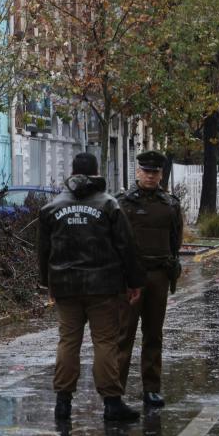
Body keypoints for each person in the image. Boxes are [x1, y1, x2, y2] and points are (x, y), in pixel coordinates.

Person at [38, 152, 145, 422]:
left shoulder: (52, 207)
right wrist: (134, 282)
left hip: (65, 287)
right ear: (97, 172)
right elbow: (126, 246)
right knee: (105, 342)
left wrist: (46, 282)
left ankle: (63, 403)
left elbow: (43, 251)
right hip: (103, 287)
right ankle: (111, 403)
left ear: (72, 172)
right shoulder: (109, 205)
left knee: (68, 342)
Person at [117, 150, 183, 408]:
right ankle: (116, 389)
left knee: (154, 334)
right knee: (124, 335)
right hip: (130, 278)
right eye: (146, 171)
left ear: (161, 175)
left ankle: (152, 389)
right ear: (137, 172)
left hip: (158, 275)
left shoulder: (170, 204)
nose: (150, 176)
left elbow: (175, 240)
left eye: (155, 172)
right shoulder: (123, 203)